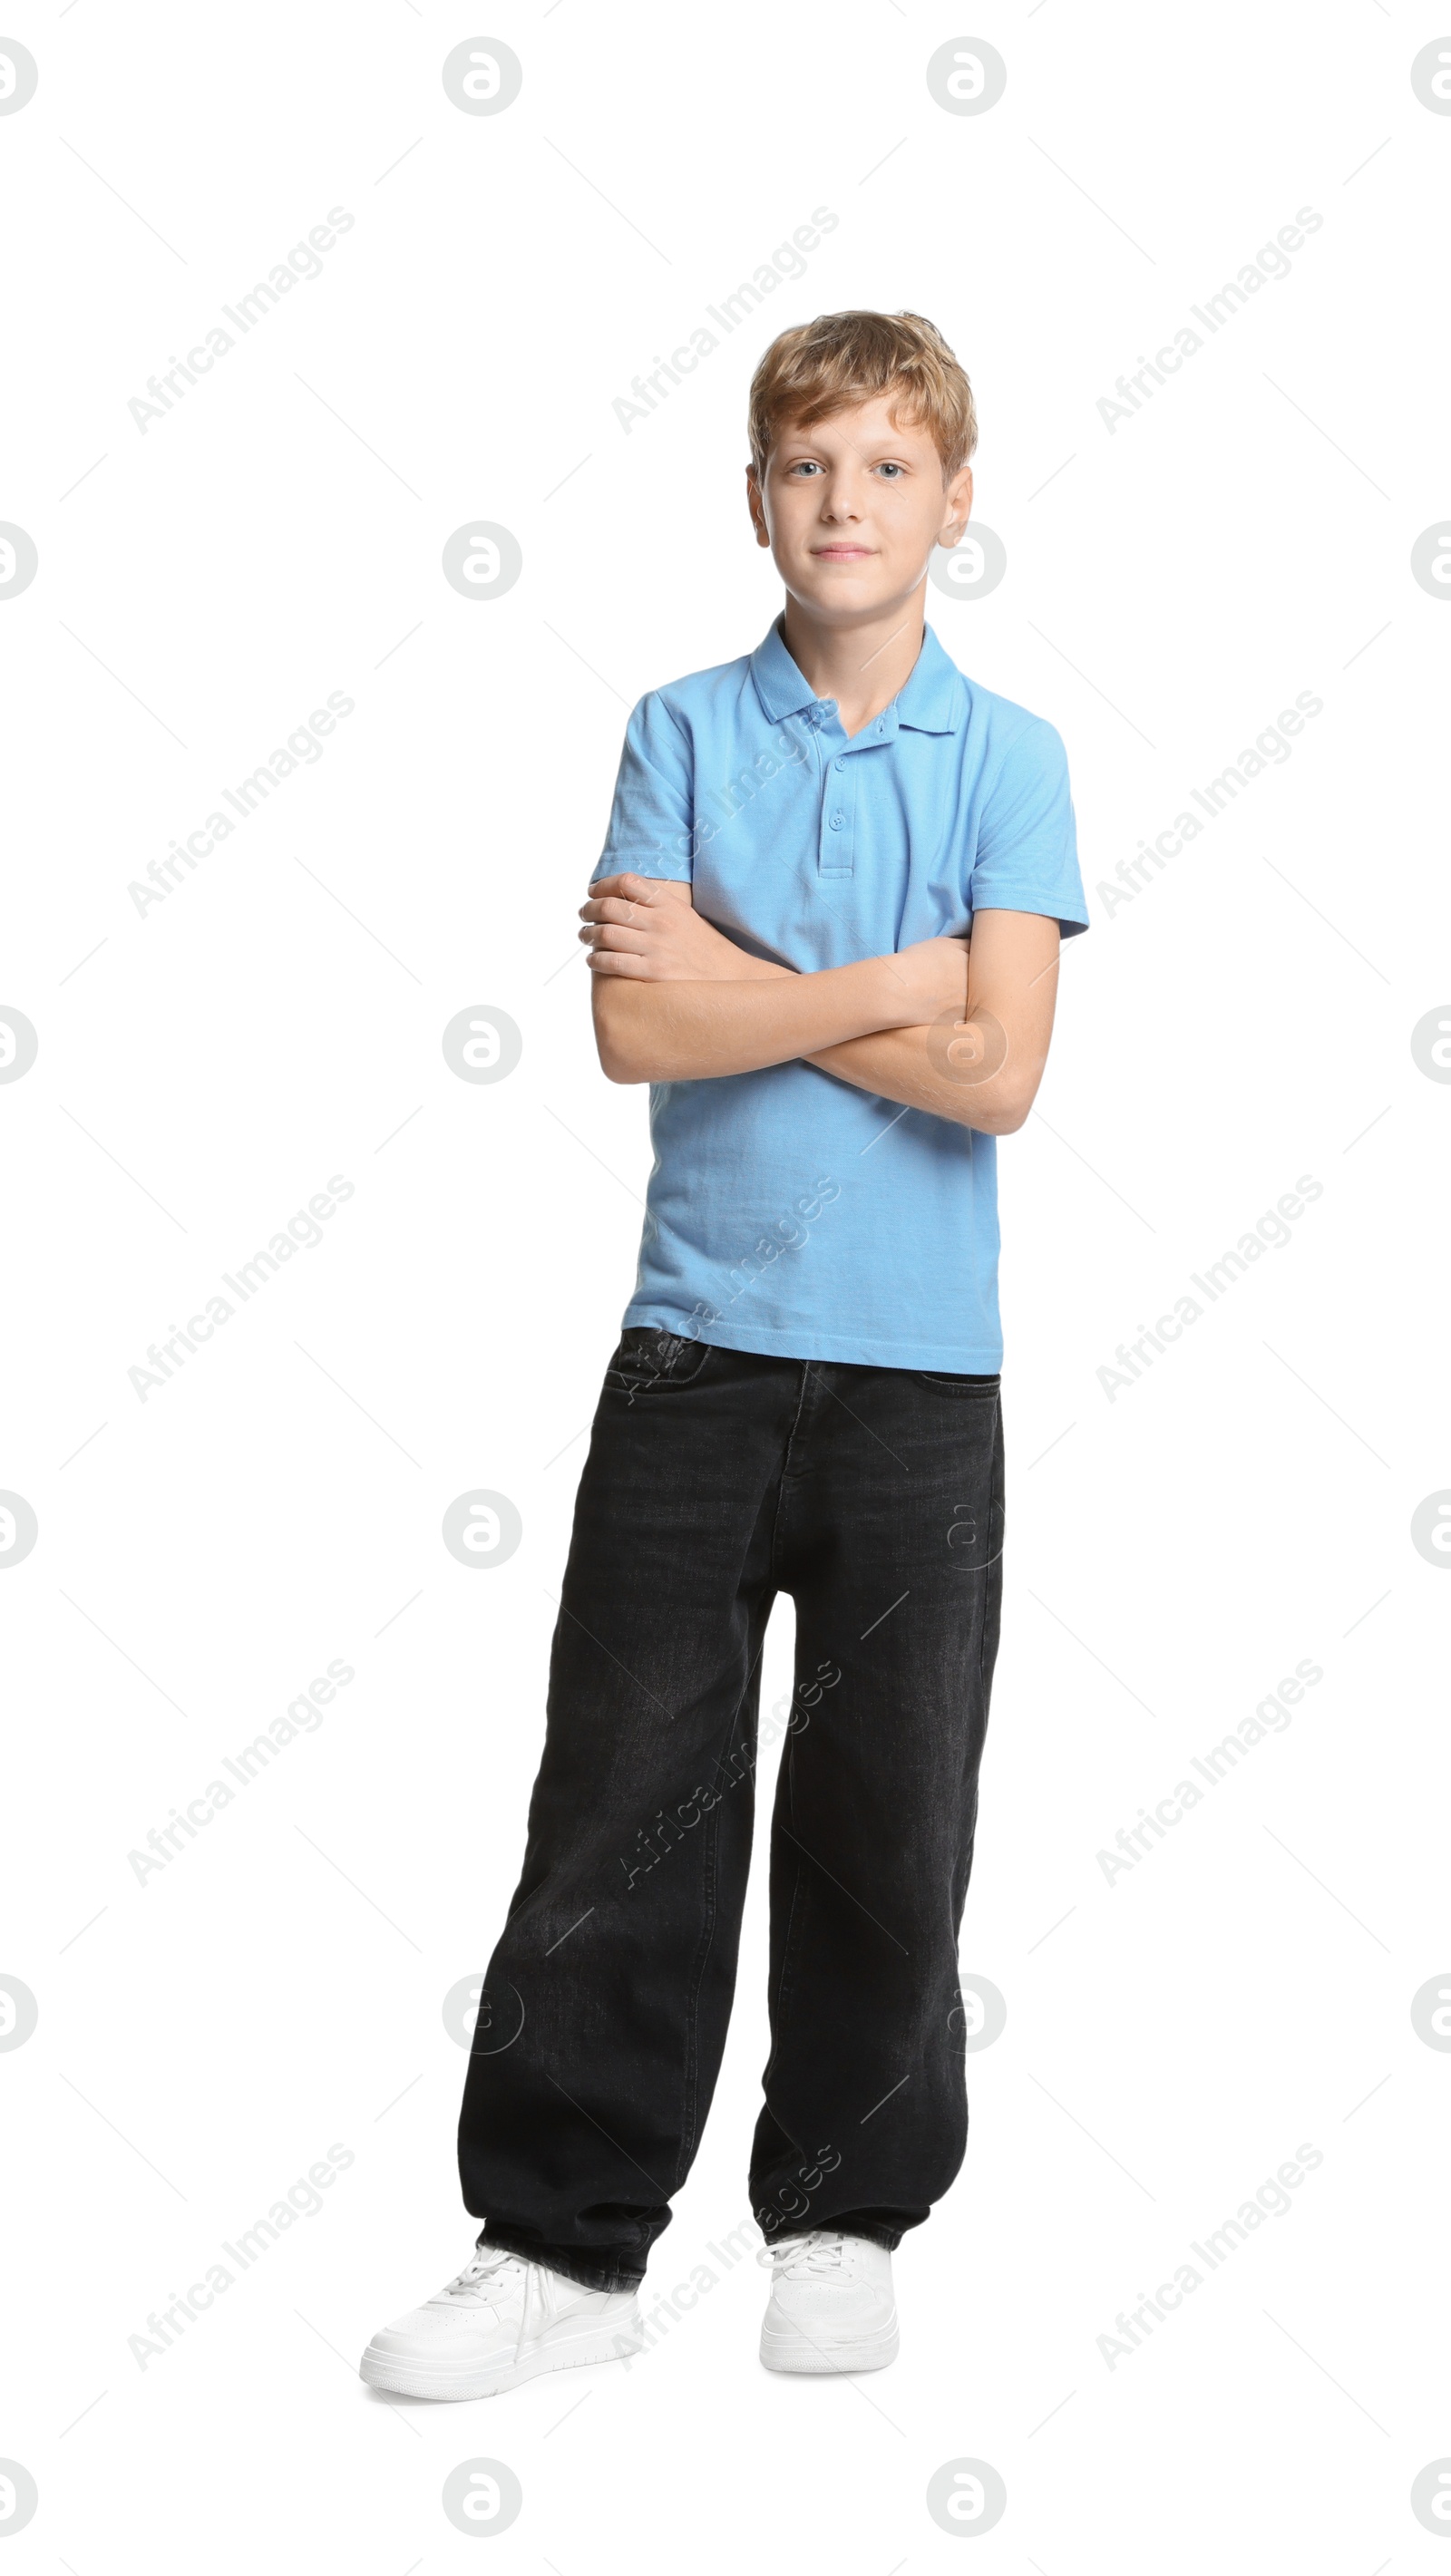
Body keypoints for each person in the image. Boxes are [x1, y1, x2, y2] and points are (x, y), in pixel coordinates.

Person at [361, 308, 1089, 2401]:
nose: (840, 503)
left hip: (916, 1385)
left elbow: (1003, 1075)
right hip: (690, 1359)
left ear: (953, 500)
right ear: (754, 498)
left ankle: (846, 2213)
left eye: (882, 467)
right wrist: (899, 979)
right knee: (622, 1796)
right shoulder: (678, 727)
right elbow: (632, 1030)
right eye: (804, 468)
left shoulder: (1008, 755)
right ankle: (561, 2250)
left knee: (884, 1809)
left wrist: (755, 973)